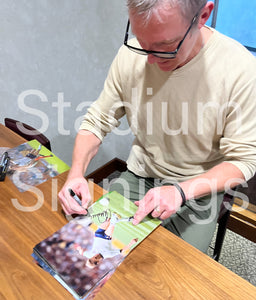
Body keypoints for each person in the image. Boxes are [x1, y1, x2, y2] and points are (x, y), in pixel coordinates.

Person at [59, 0, 256, 253]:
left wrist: (181, 192)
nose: (150, 60)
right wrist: (76, 173)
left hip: (198, 185)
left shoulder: (240, 70)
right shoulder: (131, 55)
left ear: (203, 15)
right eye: (142, 42)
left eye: (165, 47)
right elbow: (97, 121)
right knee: (90, 246)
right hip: (141, 173)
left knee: (171, 269)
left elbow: (244, 160)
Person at [71, 213, 137, 268]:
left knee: (109, 220)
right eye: (93, 260)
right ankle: (125, 219)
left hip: (97, 234)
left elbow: (82, 252)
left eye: (90, 259)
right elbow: (122, 250)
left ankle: (126, 219)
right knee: (112, 222)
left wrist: (79, 248)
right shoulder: (109, 254)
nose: (93, 257)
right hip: (106, 236)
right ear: (97, 262)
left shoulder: (89, 255)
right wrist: (131, 243)